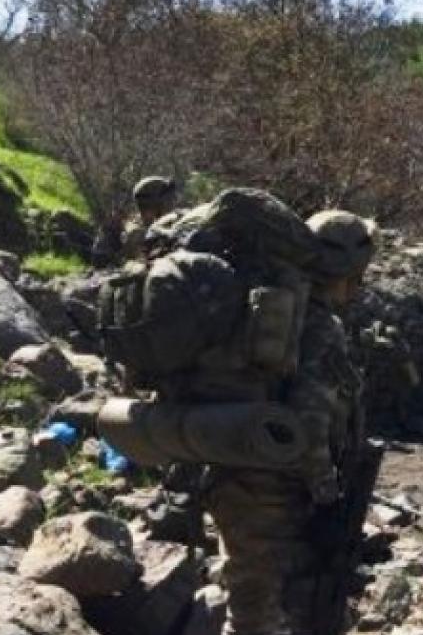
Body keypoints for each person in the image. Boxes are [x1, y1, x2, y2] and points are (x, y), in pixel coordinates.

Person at [58, 192, 376, 635]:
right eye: (357, 278)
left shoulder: (250, 310)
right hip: (271, 481)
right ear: (344, 271)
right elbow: (311, 419)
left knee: (250, 587)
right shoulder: (315, 326)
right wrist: (326, 493)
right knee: (259, 606)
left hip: (218, 458)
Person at [121, 176, 180, 260]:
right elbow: (144, 262)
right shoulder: (136, 233)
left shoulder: (169, 222)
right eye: (168, 200)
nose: (172, 203)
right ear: (154, 203)